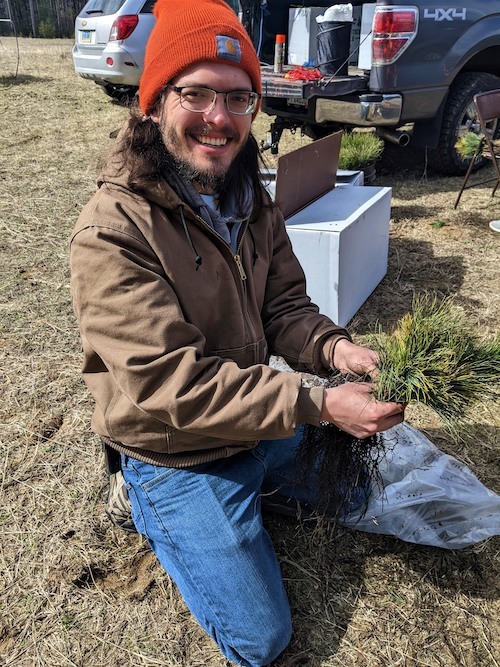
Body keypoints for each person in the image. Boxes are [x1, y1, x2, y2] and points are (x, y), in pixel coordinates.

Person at [70, 1, 405, 665]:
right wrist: (315, 402)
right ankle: (138, 495)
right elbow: (175, 384)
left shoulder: (250, 193)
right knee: (261, 637)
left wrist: (335, 347)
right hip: (176, 448)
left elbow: (284, 303)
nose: (220, 119)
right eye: (196, 93)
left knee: (356, 492)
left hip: (251, 418)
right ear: (154, 101)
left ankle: (251, 486)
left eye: (239, 97)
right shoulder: (112, 232)